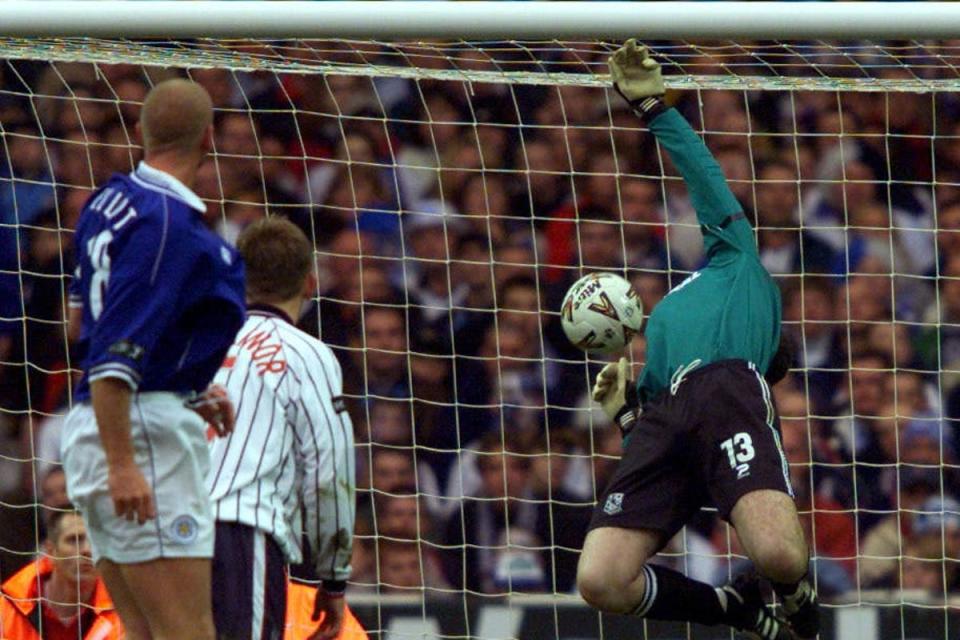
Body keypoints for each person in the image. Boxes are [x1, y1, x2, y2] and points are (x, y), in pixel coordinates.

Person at [578, 41, 818, 640]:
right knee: (601, 580)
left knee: (781, 556)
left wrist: (656, 107)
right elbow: (666, 444)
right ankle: (735, 607)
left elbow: (701, 174)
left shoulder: (737, 262)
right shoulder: (659, 331)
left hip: (724, 388)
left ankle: (796, 600)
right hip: (671, 415)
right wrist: (627, 412)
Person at [61, 78, 245, 640]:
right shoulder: (169, 227)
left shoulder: (110, 201)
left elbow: (78, 323)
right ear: (210, 138)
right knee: (189, 632)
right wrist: (124, 460)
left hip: (100, 425)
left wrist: (183, 381)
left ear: (142, 131)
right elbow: (114, 356)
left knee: (143, 631)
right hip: (137, 434)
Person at [207, 217, 355, 640]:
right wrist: (333, 577)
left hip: (165, 533)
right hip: (238, 530)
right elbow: (330, 470)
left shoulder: (198, 341)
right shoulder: (307, 354)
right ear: (310, 282)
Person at [0, 510, 122, 640]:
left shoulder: (123, 611)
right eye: (74, 540)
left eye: (95, 541)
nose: (87, 550)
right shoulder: (8, 607)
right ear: (50, 551)